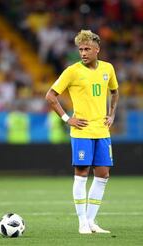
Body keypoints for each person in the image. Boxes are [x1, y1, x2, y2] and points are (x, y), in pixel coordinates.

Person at [45, 30, 119, 234]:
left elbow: (115, 91)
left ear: (97, 49)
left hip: (102, 131)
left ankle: (92, 221)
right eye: (80, 49)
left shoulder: (108, 69)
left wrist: (112, 114)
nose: (83, 53)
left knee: (103, 174)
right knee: (82, 173)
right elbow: (50, 96)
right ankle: (82, 222)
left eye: (87, 49)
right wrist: (67, 119)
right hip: (82, 131)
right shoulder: (72, 71)